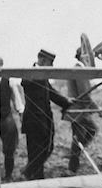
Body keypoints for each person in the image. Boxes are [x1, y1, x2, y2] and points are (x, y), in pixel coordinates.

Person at [21, 49, 73, 180]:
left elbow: (51, 93)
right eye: (50, 63)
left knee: (47, 148)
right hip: (33, 120)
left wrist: (66, 101)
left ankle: (31, 173)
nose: (52, 67)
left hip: (45, 119)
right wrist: (38, 73)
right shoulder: (30, 72)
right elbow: (25, 82)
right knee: (35, 151)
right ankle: (33, 176)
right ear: (43, 60)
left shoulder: (43, 75)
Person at [64, 47, 100, 173]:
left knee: (79, 137)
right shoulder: (80, 70)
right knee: (88, 132)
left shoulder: (78, 69)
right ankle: (73, 165)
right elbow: (84, 93)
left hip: (79, 110)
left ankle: (74, 162)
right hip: (78, 111)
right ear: (82, 56)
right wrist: (97, 109)